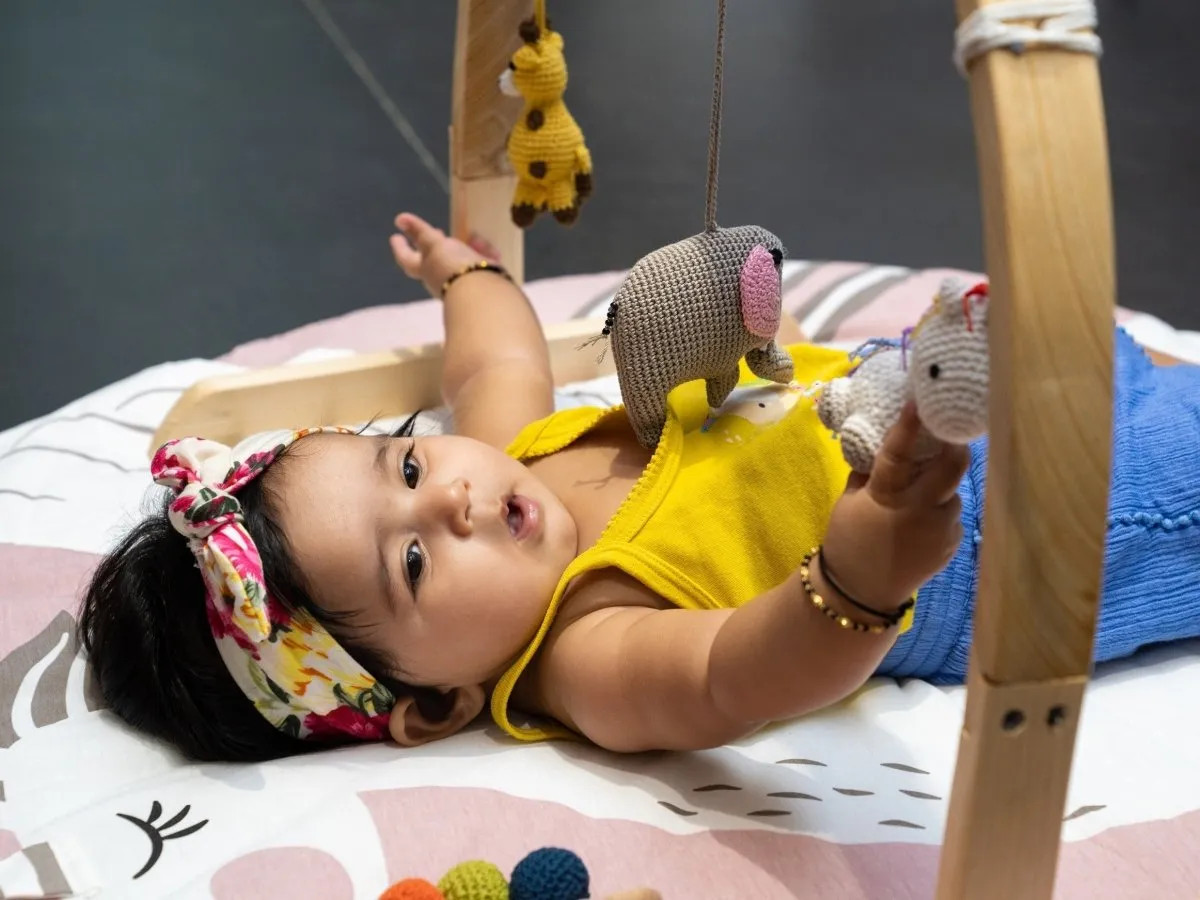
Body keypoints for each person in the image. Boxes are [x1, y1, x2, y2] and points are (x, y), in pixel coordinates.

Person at [79, 213, 1200, 762]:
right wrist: (864, 570)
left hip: (901, 387)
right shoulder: (583, 655)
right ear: (435, 705)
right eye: (413, 562)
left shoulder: (510, 457)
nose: (450, 500)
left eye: (406, 465)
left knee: (1119, 359)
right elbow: (734, 674)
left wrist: (467, 275)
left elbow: (492, 364)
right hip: (1006, 532)